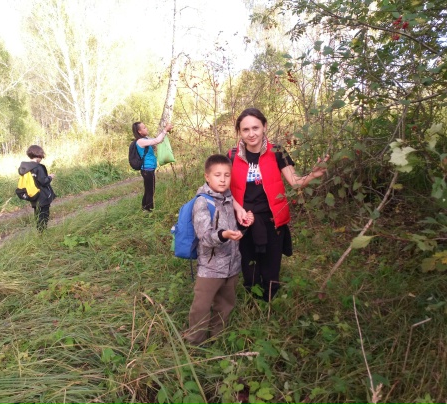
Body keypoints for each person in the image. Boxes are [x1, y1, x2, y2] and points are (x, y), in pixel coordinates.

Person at [229, 108, 329, 302]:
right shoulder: (232, 156)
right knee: (249, 268)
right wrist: (239, 209)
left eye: (256, 127)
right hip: (244, 220)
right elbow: (224, 190)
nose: (251, 134)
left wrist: (313, 175)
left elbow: (295, 182)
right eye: (246, 129)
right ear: (239, 132)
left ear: (264, 126)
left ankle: (270, 304)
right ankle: (253, 304)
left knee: (271, 268)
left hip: (272, 220)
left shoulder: (277, 152)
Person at [185, 154, 254, 346]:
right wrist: (224, 235)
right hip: (210, 268)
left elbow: (234, 226)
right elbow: (205, 236)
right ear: (207, 176)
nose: (223, 179)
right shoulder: (202, 202)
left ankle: (217, 338)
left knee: (225, 304)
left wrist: (245, 223)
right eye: (217, 175)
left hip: (232, 265)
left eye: (226, 175)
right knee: (201, 307)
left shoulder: (229, 198)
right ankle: (195, 343)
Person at [132, 121, 173, 211]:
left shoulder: (145, 139)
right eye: (144, 128)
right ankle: (150, 210)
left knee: (148, 190)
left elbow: (158, 140)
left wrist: (166, 131)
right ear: (139, 131)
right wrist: (165, 130)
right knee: (151, 190)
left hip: (148, 169)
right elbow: (156, 140)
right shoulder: (140, 141)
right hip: (147, 169)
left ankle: (144, 208)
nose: (146, 129)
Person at [18, 145, 56, 231]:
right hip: (42, 196)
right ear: (39, 155)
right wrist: (50, 177)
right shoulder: (38, 167)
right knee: (44, 217)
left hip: (33, 195)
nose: (41, 159)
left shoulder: (25, 167)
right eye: (41, 156)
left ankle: (39, 232)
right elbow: (43, 181)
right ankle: (42, 234)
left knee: (38, 215)